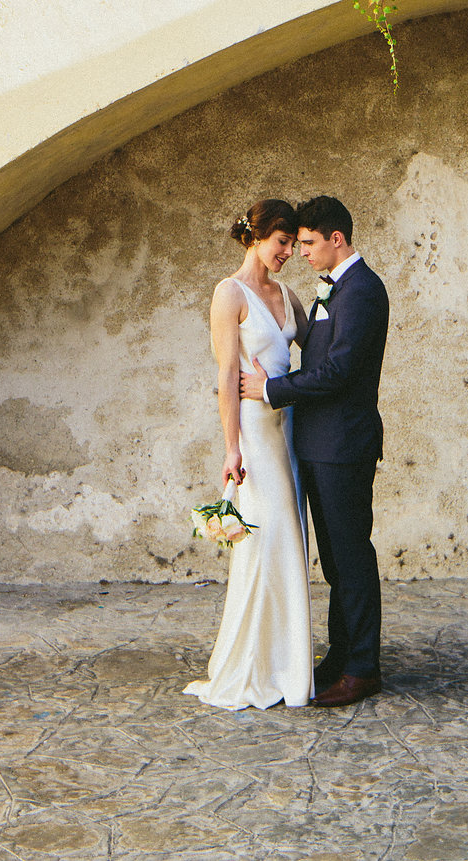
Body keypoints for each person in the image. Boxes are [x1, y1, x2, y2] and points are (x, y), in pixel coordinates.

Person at [241, 194, 390, 708]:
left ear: (336, 239)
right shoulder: (333, 290)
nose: (301, 252)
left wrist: (271, 390)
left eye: (307, 243)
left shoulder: (363, 291)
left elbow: (340, 371)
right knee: (334, 560)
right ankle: (340, 654)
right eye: (294, 243)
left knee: (351, 557)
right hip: (319, 444)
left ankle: (362, 667)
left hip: (344, 444)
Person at [184, 199, 314, 710]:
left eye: (292, 243)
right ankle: (257, 662)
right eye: (282, 242)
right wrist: (231, 447)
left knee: (290, 537)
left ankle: (289, 661)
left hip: (290, 429)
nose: (288, 253)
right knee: (264, 539)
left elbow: (316, 348)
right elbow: (224, 377)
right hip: (256, 437)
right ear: (256, 238)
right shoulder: (228, 294)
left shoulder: (287, 294)